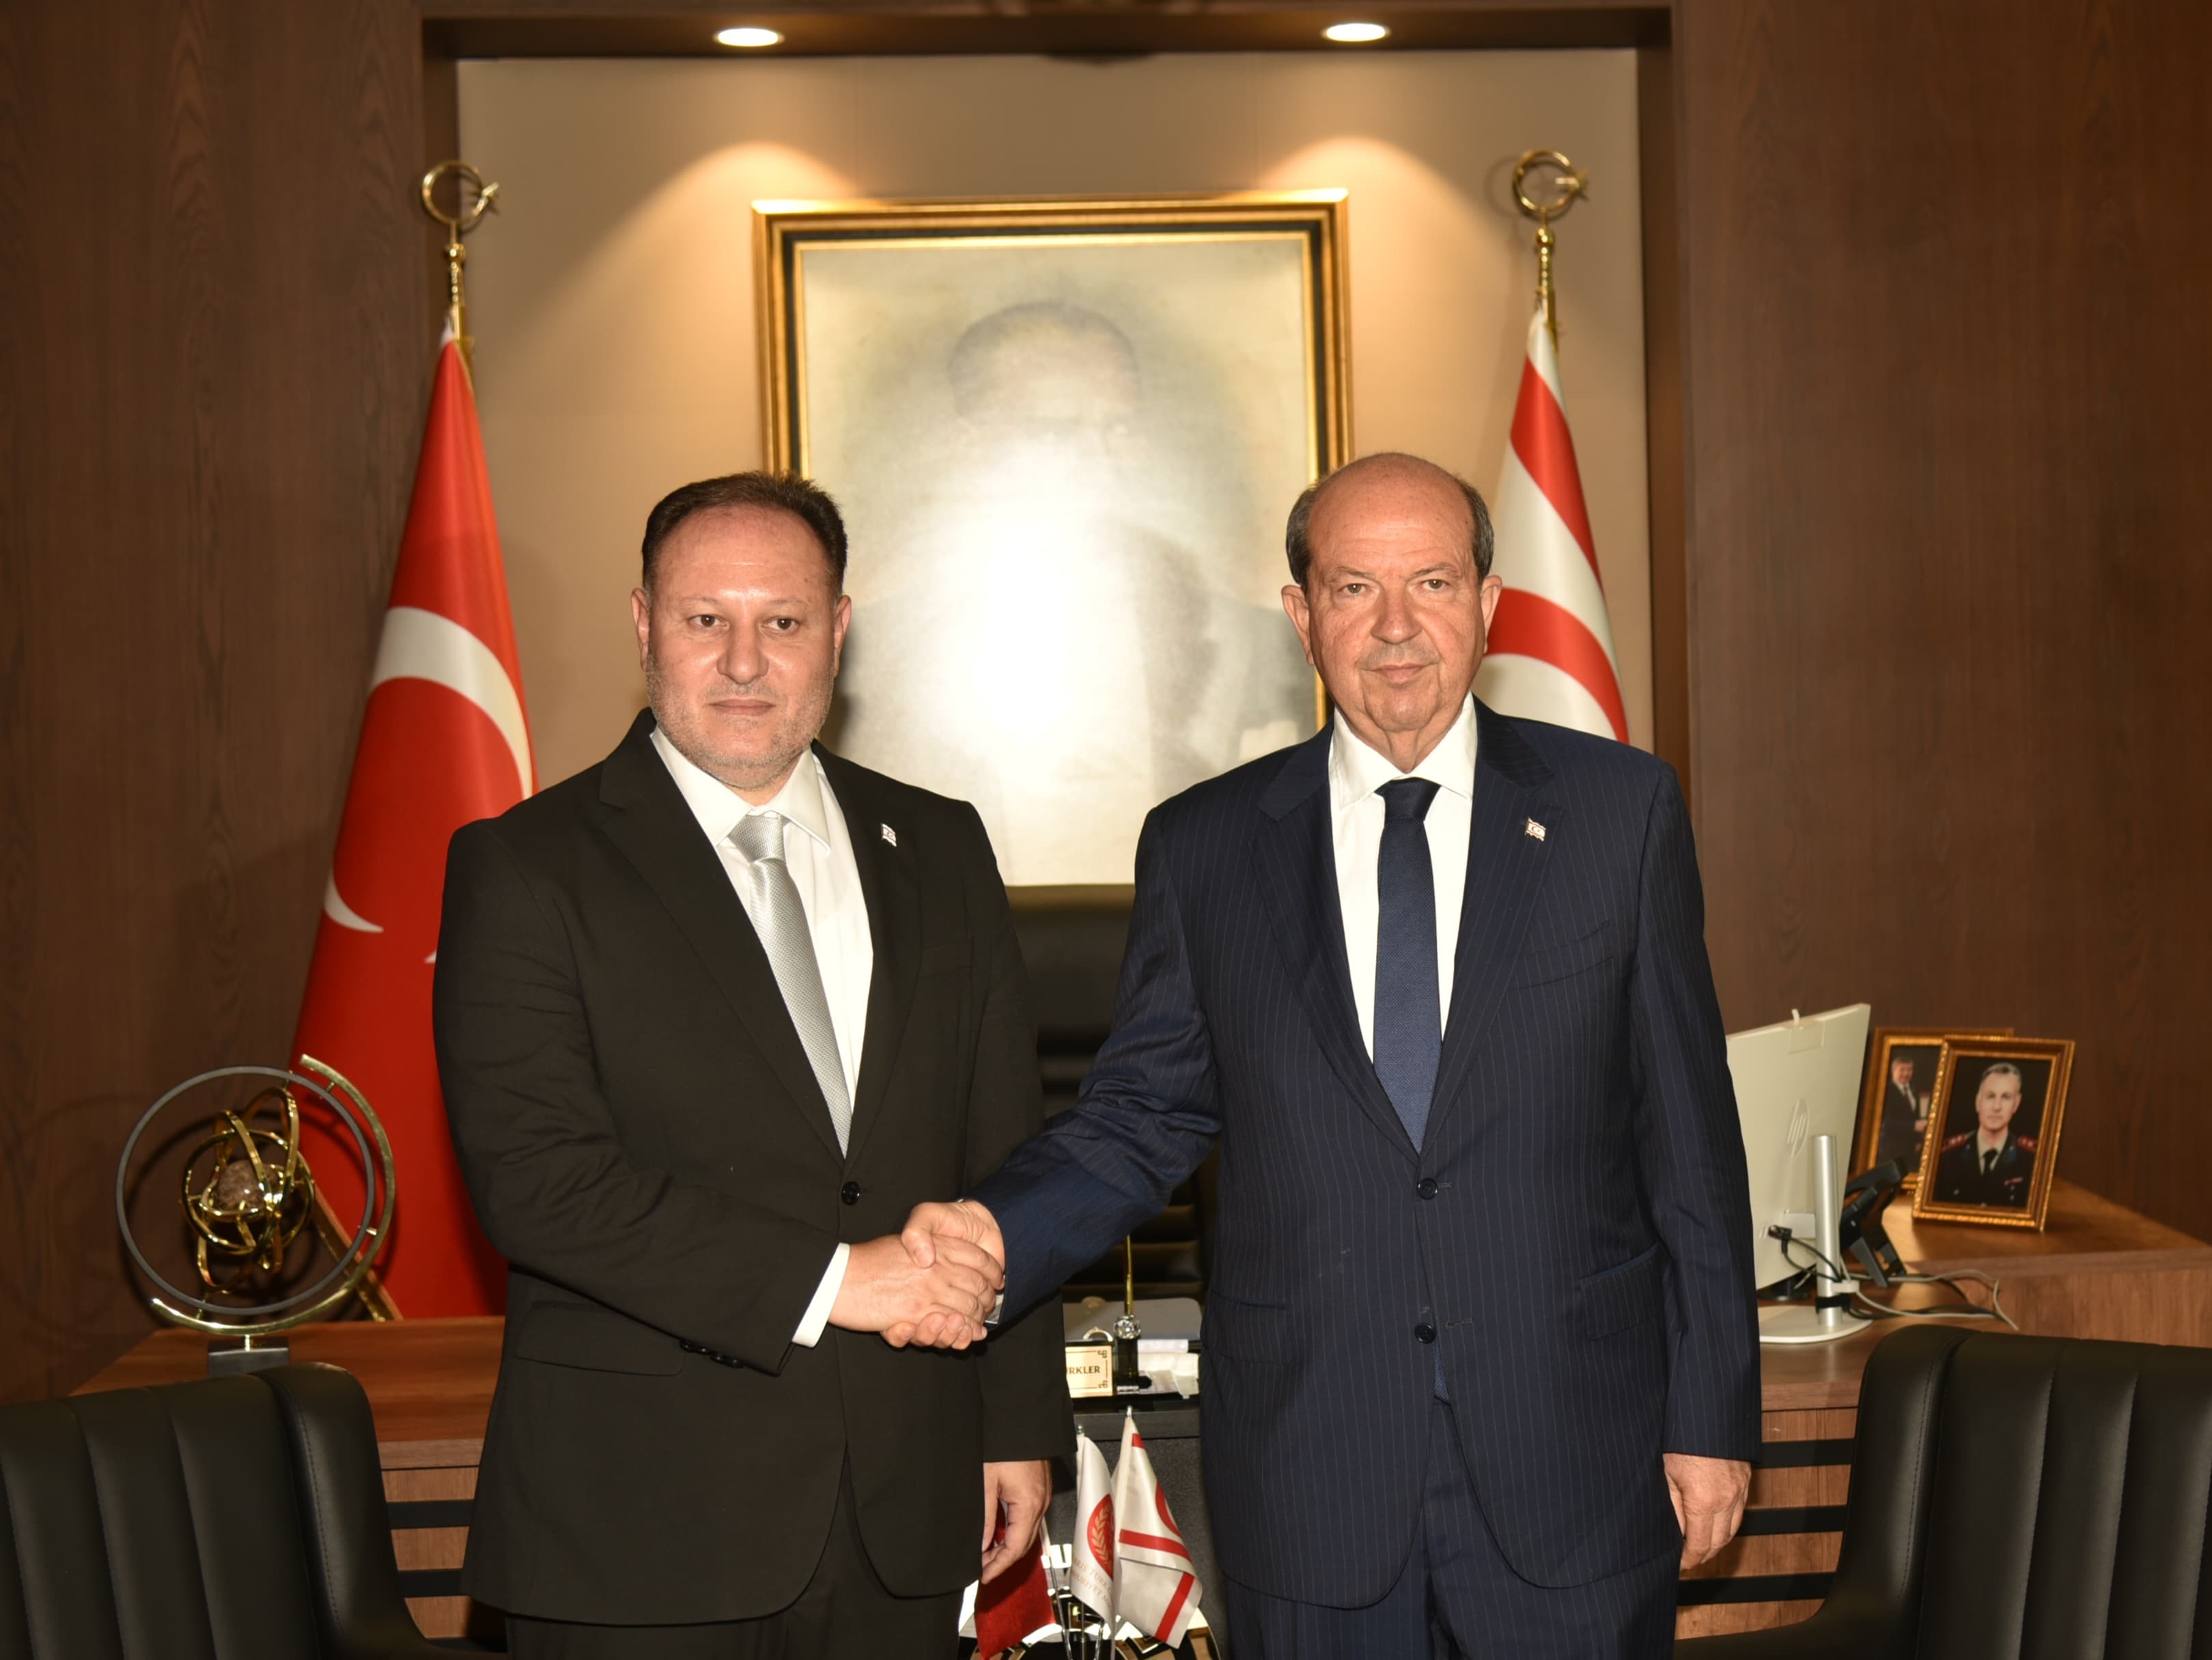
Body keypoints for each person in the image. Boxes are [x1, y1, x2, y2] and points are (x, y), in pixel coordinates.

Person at [904, 452, 1760, 1656]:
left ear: (1488, 603)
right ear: (1300, 614)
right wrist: (992, 1235)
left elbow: (1689, 1146)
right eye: (1354, 588)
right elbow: (1140, 1115)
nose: (1396, 626)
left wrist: (1710, 1413)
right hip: (1314, 1468)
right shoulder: (1204, 847)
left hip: (1570, 1453)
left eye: (1431, 583)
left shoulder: (1618, 815)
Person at [432, 472, 1070, 1659]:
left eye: (781, 620)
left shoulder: (939, 844)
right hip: (640, 1527)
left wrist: (1015, 1421)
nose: (742, 661)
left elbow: (1005, 1153)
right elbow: (539, 1183)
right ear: (642, 625)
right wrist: (838, 1280)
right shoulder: (525, 866)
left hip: (904, 1505)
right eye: (703, 618)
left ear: (837, 629)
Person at [1932, 1061, 2036, 1207]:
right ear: (1978, 1101)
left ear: (2016, 1103)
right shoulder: (1948, 1156)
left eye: (2006, 1097)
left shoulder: (2031, 1160)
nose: (1997, 1107)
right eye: (1990, 1096)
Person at [1875, 1050, 1927, 1170]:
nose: (1906, 1073)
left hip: (1910, 1150)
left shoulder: (1913, 1090)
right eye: (1902, 1070)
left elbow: (1914, 1116)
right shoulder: (1885, 1091)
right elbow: (1887, 1124)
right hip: (1891, 1150)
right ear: (1893, 1070)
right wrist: (1914, 1126)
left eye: (1909, 1070)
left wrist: (1917, 1141)